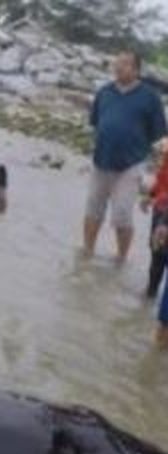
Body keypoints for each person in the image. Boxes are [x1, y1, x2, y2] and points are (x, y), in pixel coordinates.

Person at [83, 50, 168, 265]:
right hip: (101, 160)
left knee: (121, 214)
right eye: (117, 62)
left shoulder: (150, 97)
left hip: (131, 164)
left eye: (125, 64)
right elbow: (96, 123)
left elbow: (159, 134)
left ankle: (121, 258)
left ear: (136, 70)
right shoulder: (105, 92)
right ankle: (86, 253)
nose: (118, 66)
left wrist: (153, 161)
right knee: (93, 209)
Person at [142, 140, 168, 298]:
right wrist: (151, 194)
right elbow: (163, 178)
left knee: (159, 255)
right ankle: (149, 297)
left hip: (163, 209)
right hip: (161, 209)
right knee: (156, 256)